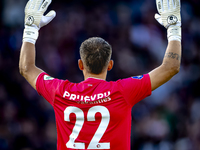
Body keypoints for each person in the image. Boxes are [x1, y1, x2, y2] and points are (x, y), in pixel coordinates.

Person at [19, 0, 182, 149]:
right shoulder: (123, 91)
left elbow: (26, 68)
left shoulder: (61, 92)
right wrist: (173, 29)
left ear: (80, 65)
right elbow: (171, 67)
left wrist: (30, 29)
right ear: (110, 65)